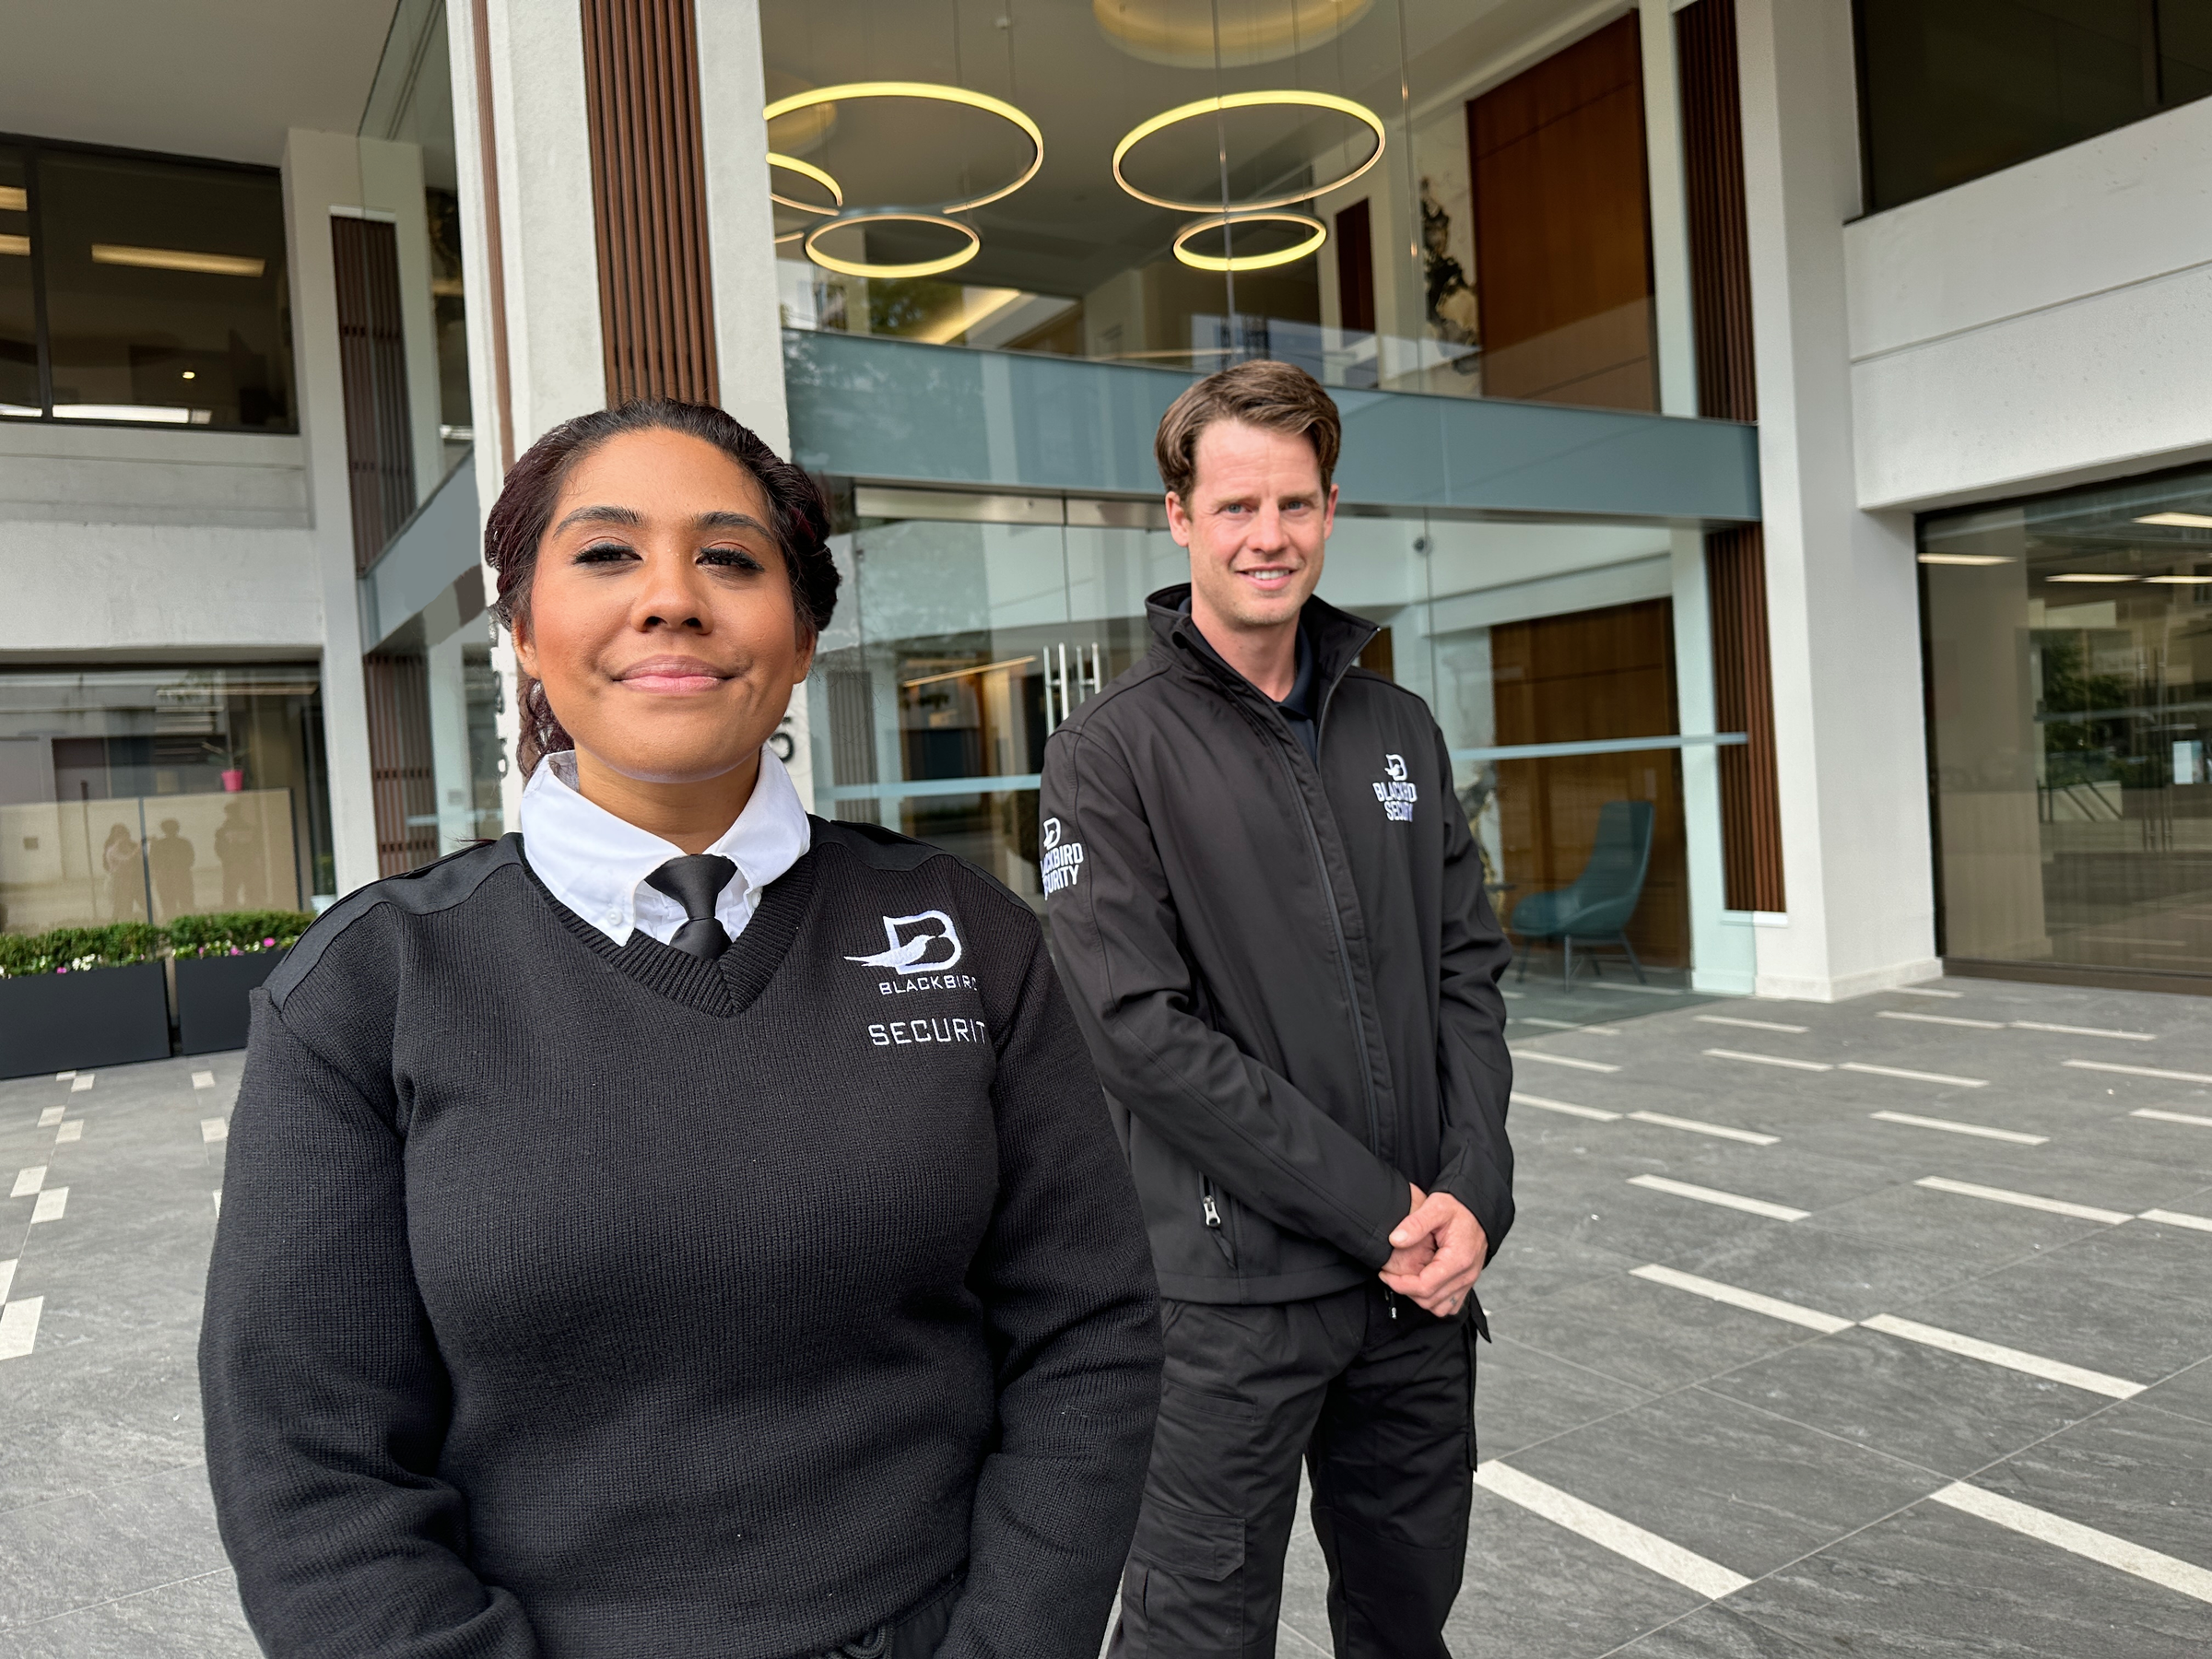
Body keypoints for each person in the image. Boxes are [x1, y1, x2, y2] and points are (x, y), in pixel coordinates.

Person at [200, 398, 1164, 1659]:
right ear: (526, 635)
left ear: (804, 634)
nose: (671, 597)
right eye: (606, 554)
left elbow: (1086, 1334)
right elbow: (305, 1459)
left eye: (730, 557)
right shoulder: (368, 989)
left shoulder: (968, 938)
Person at [1039, 360, 1514, 1657]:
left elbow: (1467, 970)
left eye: (1295, 503)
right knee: (1197, 1633)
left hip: (1418, 1292)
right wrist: (1380, 1211)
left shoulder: (1398, 726)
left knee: (1408, 1617)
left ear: (1331, 507)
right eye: (1236, 504)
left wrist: (1474, 1191)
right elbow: (1136, 1032)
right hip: (1227, 1304)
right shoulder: (1110, 751)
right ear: (1180, 516)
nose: (1269, 535)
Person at [148, 817, 195, 919]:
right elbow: (190, 860)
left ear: (163, 830)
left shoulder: (158, 844)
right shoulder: (184, 842)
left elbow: (152, 863)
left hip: (165, 878)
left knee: (169, 908)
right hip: (183, 877)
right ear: (177, 829)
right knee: (187, 906)